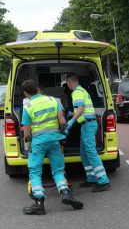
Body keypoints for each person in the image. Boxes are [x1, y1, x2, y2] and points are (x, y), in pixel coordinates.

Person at [20, 79, 83, 215]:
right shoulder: (53, 100)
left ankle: (39, 203)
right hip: (55, 141)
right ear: (37, 89)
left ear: (25, 93)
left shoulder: (28, 107)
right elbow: (63, 122)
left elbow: (27, 133)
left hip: (38, 143)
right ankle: (65, 192)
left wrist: (27, 138)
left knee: (35, 172)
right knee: (58, 170)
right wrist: (62, 131)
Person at [65, 73, 110, 192]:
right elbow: (81, 108)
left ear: (70, 82)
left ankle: (104, 181)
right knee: (84, 152)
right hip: (87, 124)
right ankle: (92, 178)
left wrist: (71, 121)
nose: (67, 85)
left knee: (90, 152)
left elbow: (81, 108)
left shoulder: (76, 92)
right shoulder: (82, 90)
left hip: (88, 124)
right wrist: (72, 114)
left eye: (67, 83)